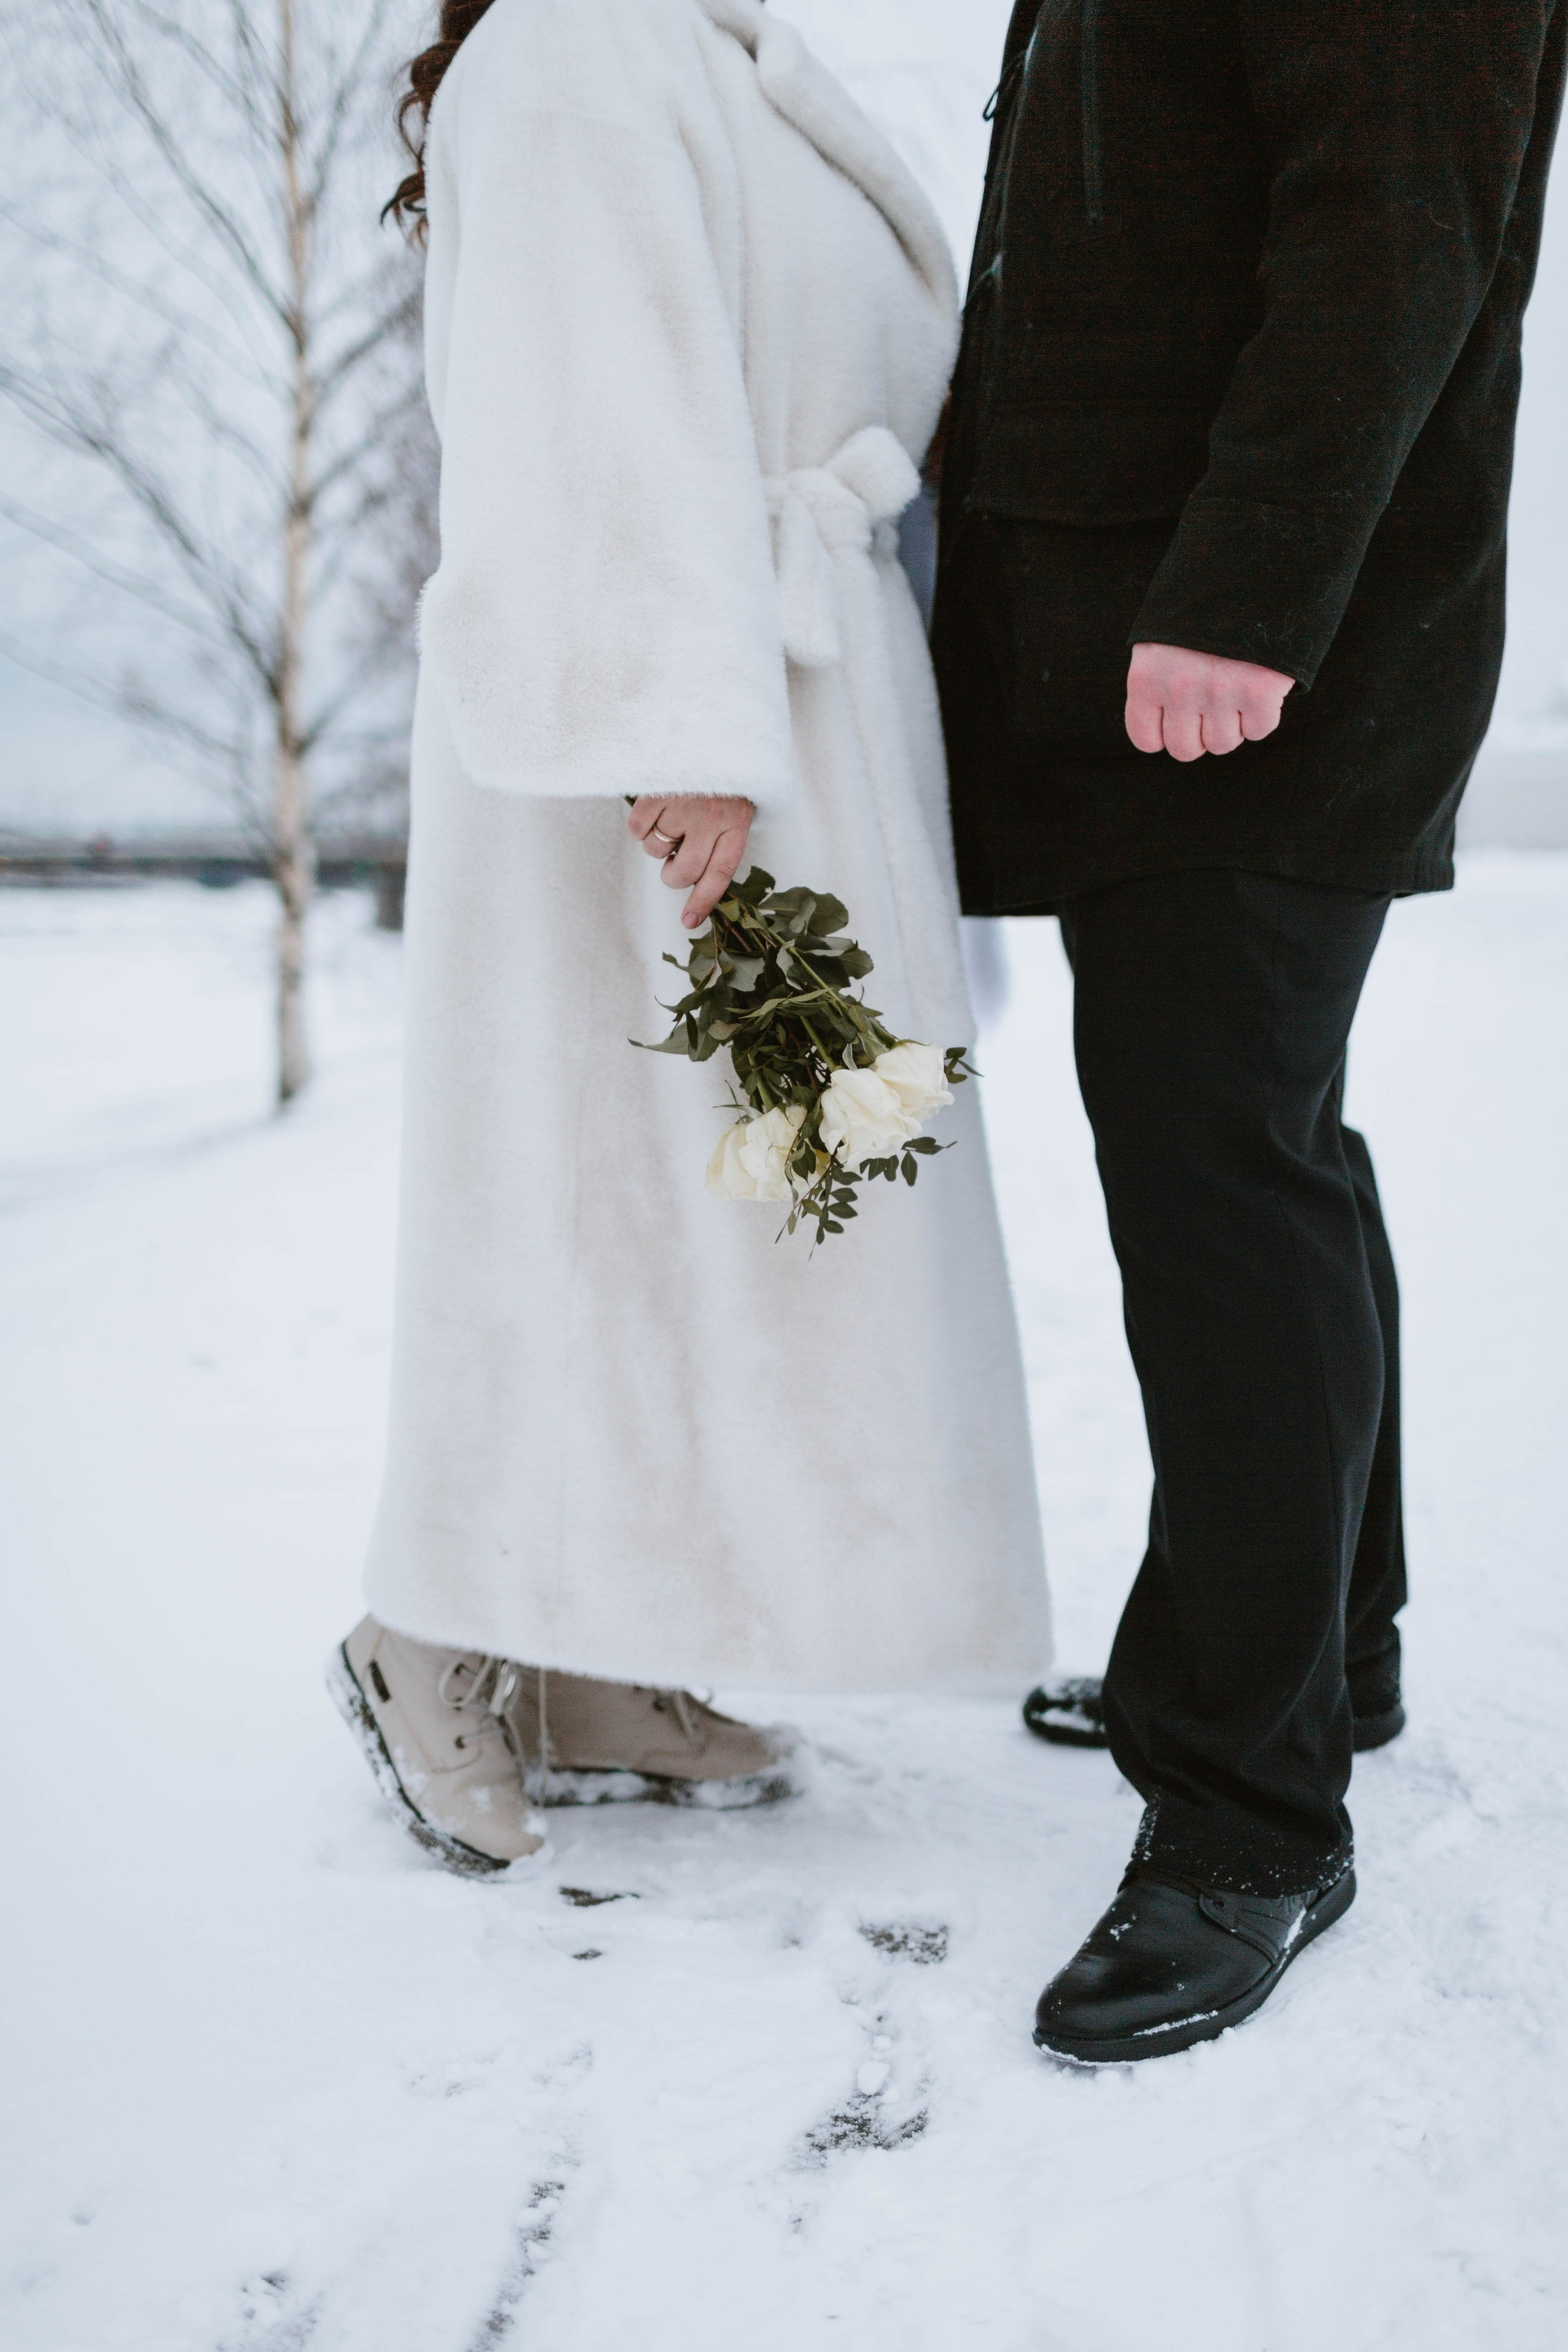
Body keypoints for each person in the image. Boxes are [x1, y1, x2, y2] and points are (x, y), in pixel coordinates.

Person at [328, 0, 1051, 1877]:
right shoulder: (570, 49)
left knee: (727, 1221)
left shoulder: (725, 57)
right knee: (573, 1205)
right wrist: (680, 734)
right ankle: (429, 1623)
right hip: (645, 739)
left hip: (791, 701)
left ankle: (587, 1647)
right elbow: (586, 413)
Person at [934, 0, 1566, 2059]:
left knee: (1220, 1170)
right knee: (1265, 1147)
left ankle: (1248, 1819)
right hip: (1157, 635)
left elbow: (1397, 231)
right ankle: (1315, 1649)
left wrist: (1252, 592)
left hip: (1249, 650)